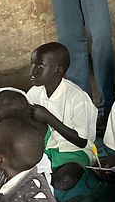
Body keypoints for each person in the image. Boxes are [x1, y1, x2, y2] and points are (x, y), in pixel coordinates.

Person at [26, 42, 98, 190]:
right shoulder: (34, 92)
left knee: (64, 180)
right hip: (46, 150)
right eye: (32, 65)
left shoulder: (76, 97)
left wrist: (48, 118)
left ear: (58, 71)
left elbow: (81, 141)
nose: (33, 71)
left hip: (73, 151)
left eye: (40, 66)